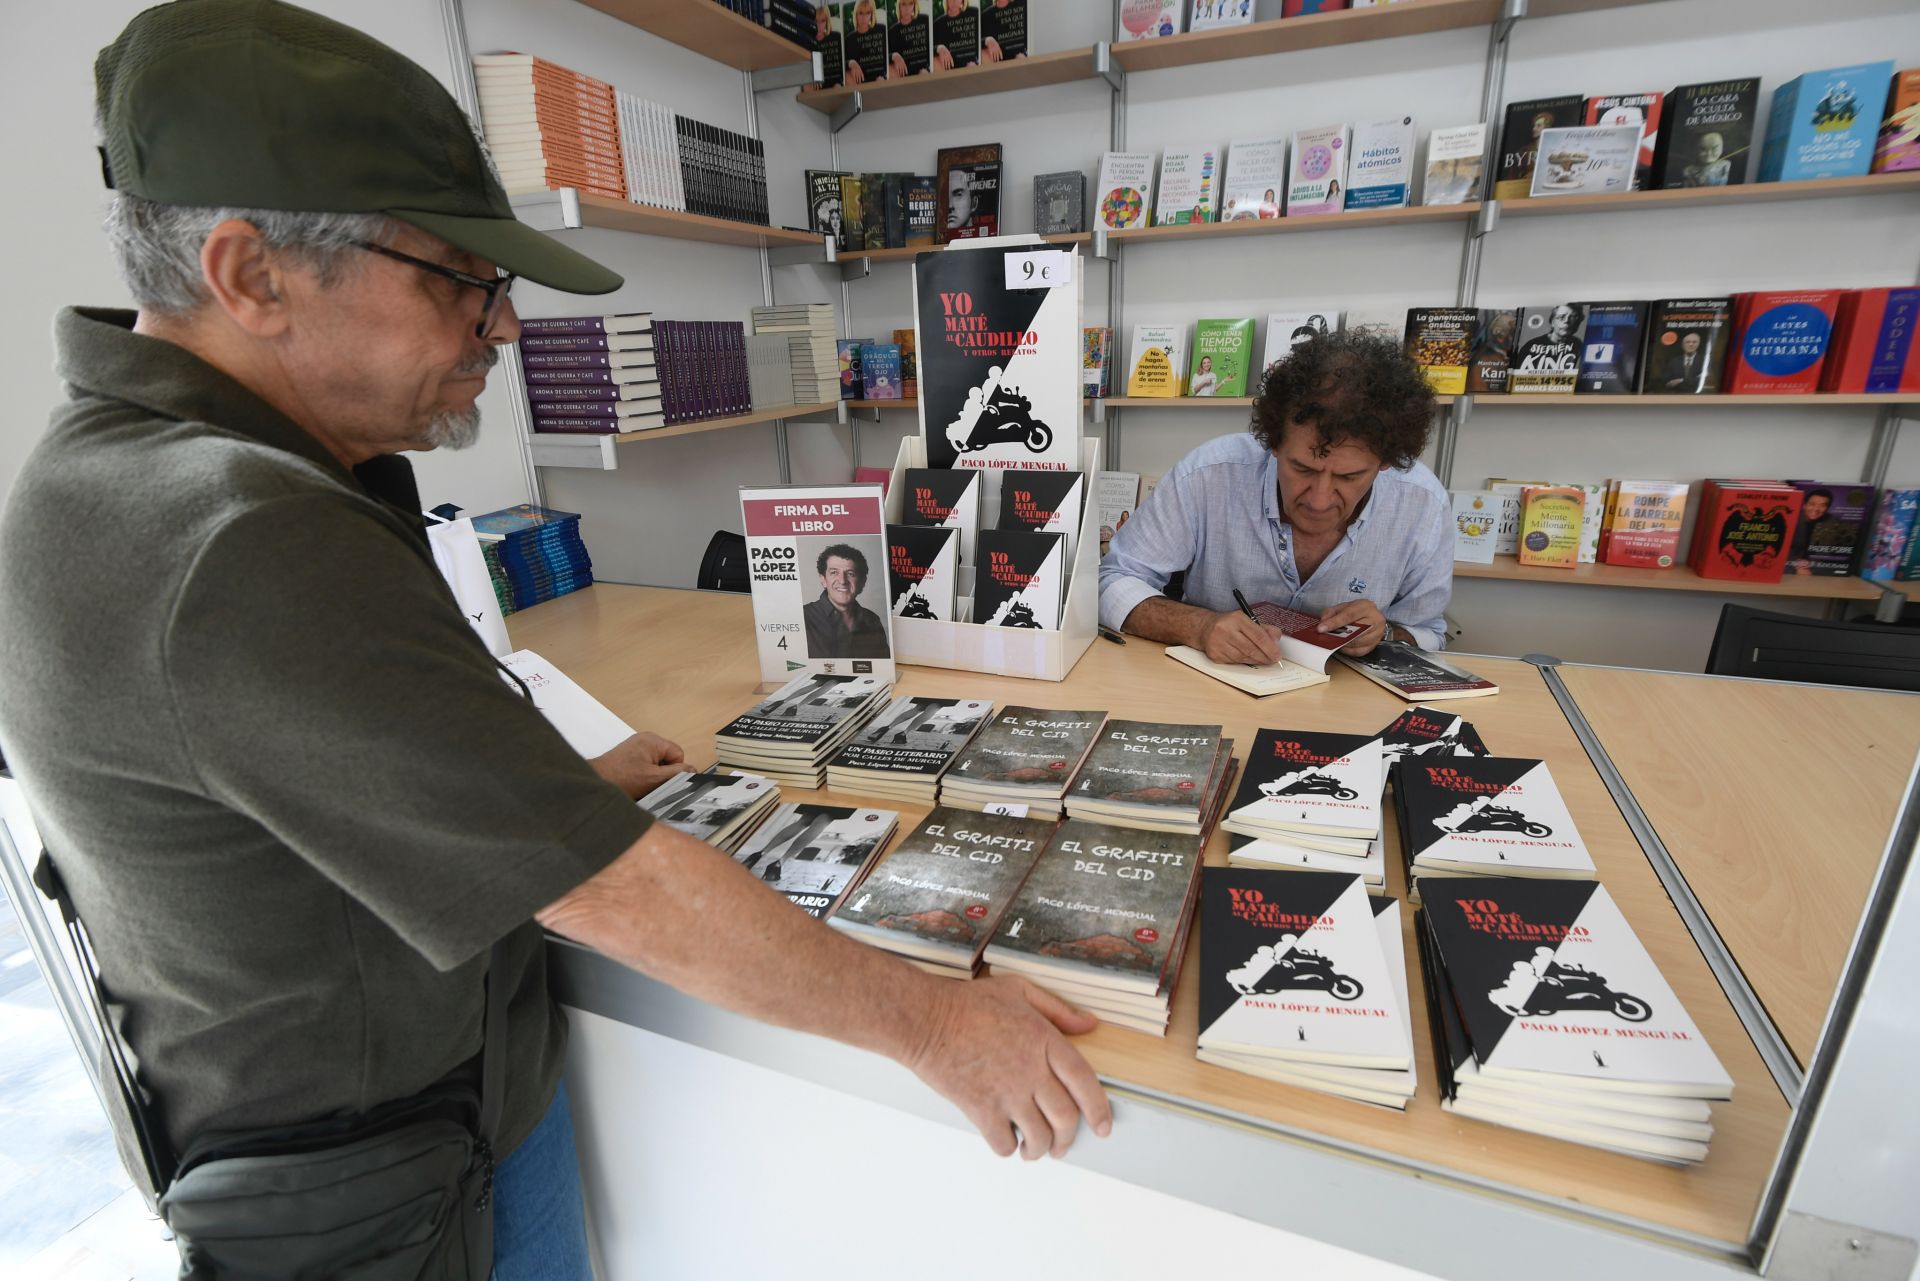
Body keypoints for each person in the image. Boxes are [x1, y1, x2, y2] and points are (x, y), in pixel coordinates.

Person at [0, 4, 1109, 1276]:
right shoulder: (235, 537)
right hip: (391, 1197)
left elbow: (295, 791)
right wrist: (934, 1026)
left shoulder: (114, 474)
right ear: (251, 276)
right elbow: (616, 894)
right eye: (459, 283)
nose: (508, 331)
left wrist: (536, 796)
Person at [1099, 331, 1451, 664]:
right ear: (1273, 443)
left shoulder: (1422, 504)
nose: (1319, 499)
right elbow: (1111, 582)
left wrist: (1385, 633)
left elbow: (1429, 633)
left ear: (1386, 462)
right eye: (1302, 469)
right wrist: (1199, 626)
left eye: (1349, 477)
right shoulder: (1209, 474)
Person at [803, 543, 892, 659]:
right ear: (823, 579)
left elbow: (882, 666)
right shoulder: (804, 617)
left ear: (862, 582)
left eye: (850, 574)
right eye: (834, 572)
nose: (843, 581)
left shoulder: (872, 620)